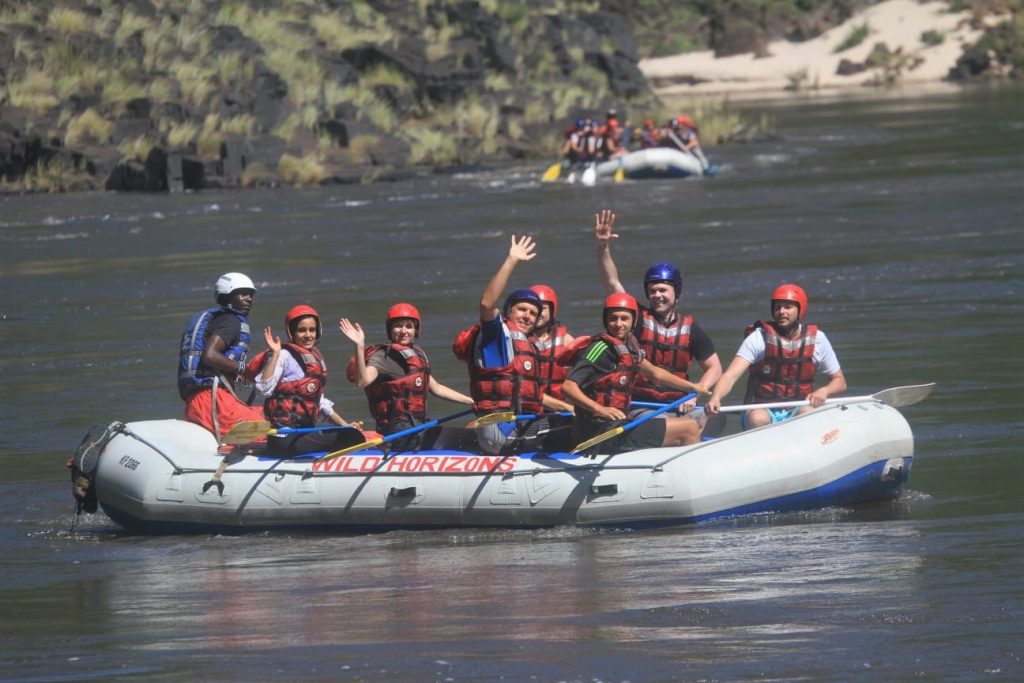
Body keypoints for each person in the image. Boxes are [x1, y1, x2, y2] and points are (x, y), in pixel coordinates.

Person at [452, 235, 574, 454]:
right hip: (500, 433)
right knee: (576, 429)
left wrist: (572, 407)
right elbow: (487, 303)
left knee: (576, 418)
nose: (527, 316)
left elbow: (533, 396)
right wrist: (512, 260)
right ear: (509, 311)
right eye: (522, 310)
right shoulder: (499, 336)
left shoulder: (526, 345)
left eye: (533, 313)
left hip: (519, 425)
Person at [594, 209, 722, 416]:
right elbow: (611, 283)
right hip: (641, 405)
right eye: (652, 291)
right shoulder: (635, 318)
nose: (657, 295)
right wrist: (603, 247)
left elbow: (715, 367)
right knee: (676, 427)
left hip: (678, 404)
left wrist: (694, 394)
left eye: (663, 290)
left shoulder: (690, 329)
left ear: (676, 293)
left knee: (715, 418)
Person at [561, 293, 709, 453]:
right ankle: (689, 475)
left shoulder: (630, 348)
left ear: (633, 322)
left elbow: (654, 373)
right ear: (606, 321)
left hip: (618, 424)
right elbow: (568, 387)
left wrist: (692, 387)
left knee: (689, 424)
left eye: (624, 319)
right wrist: (599, 408)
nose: (618, 324)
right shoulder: (600, 349)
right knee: (689, 428)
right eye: (613, 318)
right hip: (598, 432)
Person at [706, 284, 847, 429]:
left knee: (807, 412)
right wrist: (716, 397)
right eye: (778, 307)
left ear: (800, 310)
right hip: (762, 408)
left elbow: (839, 381)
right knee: (758, 418)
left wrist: (824, 391)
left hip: (799, 407)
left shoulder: (818, 339)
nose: (781, 311)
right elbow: (731, 375)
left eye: (788, 307)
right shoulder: (759, 338)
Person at [340, 303, 472, 451]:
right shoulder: (383, 357)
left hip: (418, 428)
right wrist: (359, 345)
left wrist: (471, 402)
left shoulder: (416, 355)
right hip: (398, 434)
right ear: (390, 330)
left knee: (465, 436)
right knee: (465, 439)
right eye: (398, 326)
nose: (403, 331)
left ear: (416, 330)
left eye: (408, 326)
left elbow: (437, 388)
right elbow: (362, 381)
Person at [245, 305, 358, 457]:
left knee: (351, 433)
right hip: (284, 438)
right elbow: (263, 389)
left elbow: (320, 403)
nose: (308, 335)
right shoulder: (283, 355)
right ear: (291, 332)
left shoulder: (315, 357)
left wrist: (346, 426)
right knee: (353, 438)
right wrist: (276, 354)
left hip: (303, 433)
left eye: (312, 330)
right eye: (301, 330)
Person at [178, 272, 265, 439]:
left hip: (201, 401)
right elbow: (209, 355)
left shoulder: (218, 320)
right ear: (228, 296)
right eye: (243, 294)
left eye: (251, 294)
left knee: (269, 414)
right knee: (265, 432)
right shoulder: (230, 321)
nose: (249, 298)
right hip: (211, 401)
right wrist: (242, 369)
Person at [529, 284, 574, 401]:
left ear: (552, 311)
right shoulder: (517, 341)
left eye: (542, 308)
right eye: (534, 308)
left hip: (559, 411)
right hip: (526, 409)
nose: (537, 312)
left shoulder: (567, 341)